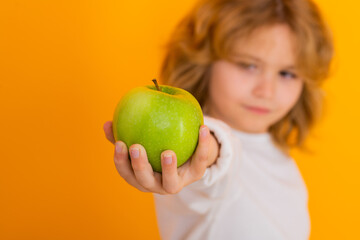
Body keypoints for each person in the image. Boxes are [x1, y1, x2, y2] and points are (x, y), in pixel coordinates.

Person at [103, 0, 334, 239]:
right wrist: (202, 151)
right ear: (204, 61)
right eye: (248, 65)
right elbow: (214, 157)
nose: (266, 91)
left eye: (287, 73)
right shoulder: (195, 155)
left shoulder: (277, 155)